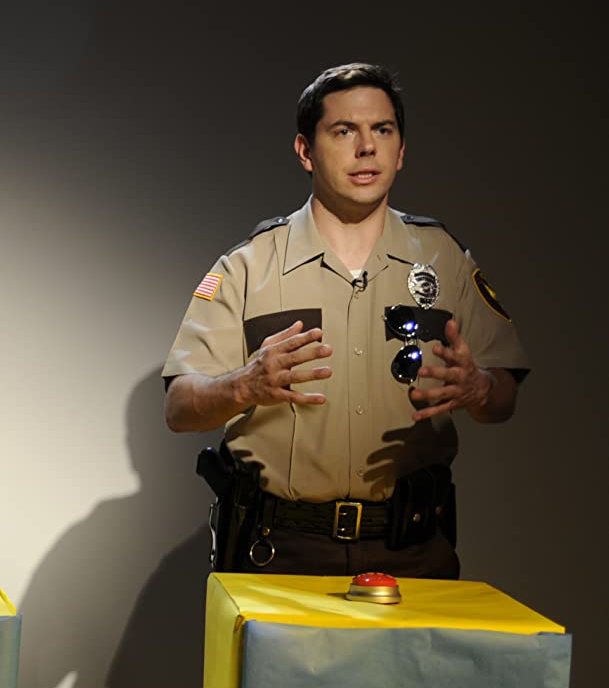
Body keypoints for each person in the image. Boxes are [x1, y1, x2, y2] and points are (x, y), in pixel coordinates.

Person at [162, 62, 527, 577]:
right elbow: (180, 407)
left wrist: (479, 388)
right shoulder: (248, 267)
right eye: (344, 131)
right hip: (283, 553)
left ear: (401, 150)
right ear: (305, 151)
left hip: (415, 552)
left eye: (383, 130)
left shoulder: (445, 259)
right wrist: (244, 385)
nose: (367, 147)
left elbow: (504, 397)